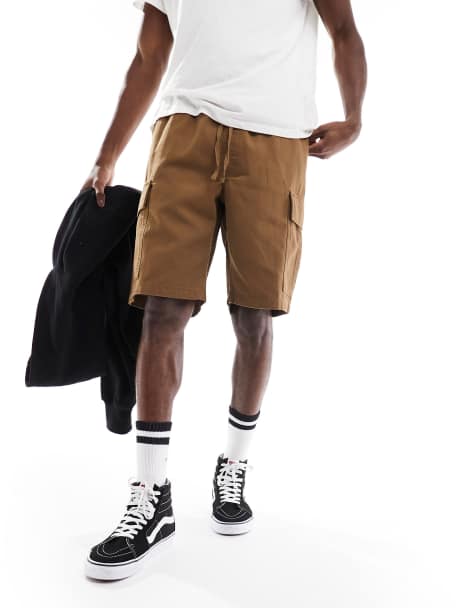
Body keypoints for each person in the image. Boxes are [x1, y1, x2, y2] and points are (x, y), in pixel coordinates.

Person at [81, 0, 367, 581]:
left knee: (254, 316)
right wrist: (107, 155)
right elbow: (148, 56)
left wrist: (355, 116)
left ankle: (233, 467)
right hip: (182, 134)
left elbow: (343, 28)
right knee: (162, 308)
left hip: (275, 140)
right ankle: (151, 495)